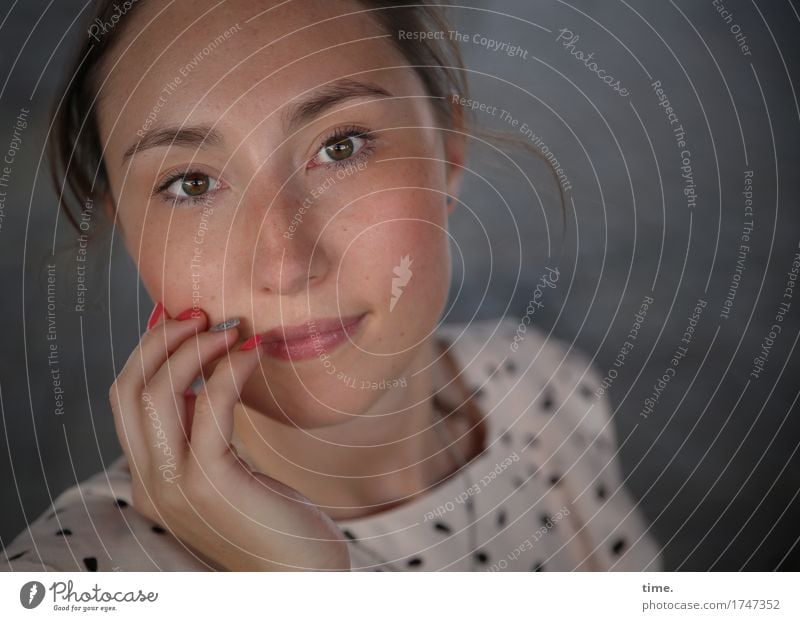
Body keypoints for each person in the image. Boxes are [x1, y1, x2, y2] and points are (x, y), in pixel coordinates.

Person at [2, 0, 663, 571]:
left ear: (450, 152)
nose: (287, 263)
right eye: (193, 184)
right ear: (127, 228)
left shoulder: (542, 385)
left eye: (342, 146)